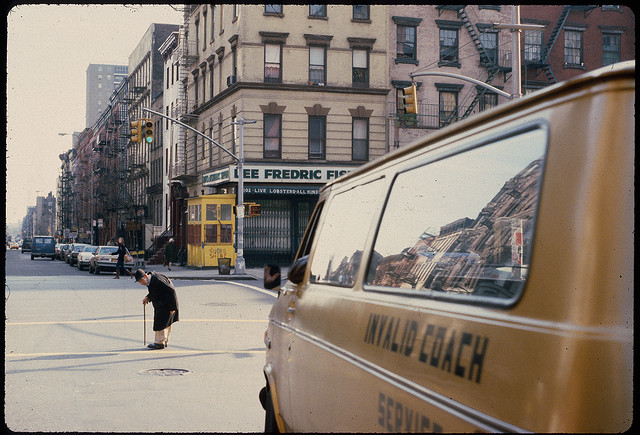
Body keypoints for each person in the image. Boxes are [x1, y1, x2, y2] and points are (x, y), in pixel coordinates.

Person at [134, 268, 179, 350]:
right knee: (165, 322)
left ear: (145, 276)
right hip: (162, 303)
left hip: (167, 304)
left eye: (141, 281)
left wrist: (173, 307)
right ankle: (164, 341)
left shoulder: (158, 280)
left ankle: (159, 343)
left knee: (161, 322)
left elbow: (171, 291)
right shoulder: (151, 280)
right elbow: (155, 291)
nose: (141, 283)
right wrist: (147, 298)